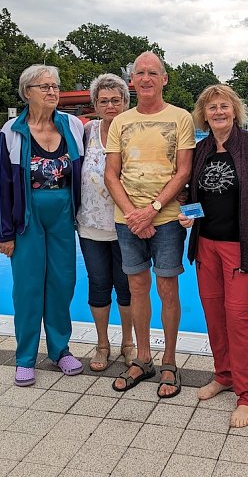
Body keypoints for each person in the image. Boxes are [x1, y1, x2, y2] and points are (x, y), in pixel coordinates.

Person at [178, 84, 248, 428]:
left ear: (234, 110)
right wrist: (187, 212)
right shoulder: (202, 148)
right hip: (206, 244)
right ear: (203, 115)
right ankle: (224, 374)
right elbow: (192, 192)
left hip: (240, 247)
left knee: (238, 319)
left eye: (224, 106)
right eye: (211, 108)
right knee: (214, 314)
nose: (218, 112)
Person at [104, 51, 195, 398]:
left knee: (168, 290)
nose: (145, 78)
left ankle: (169, 360)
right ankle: (143, 359)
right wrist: (132, 213)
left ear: (164, 79)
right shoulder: (121, 122)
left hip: (167, 219)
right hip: (128, 220)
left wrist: (152, 209)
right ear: (132, 81)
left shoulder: (181, 118)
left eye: (152, 73)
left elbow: (183, 170)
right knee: (137, 289)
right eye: (139, 73)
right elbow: (111, 173)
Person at [0, 64, 85, 387]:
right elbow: (2, 185)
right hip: (27, 218)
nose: (52, 92)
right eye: (44, 87)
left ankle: (60, 350)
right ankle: (25, 357)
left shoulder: (73, 126)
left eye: (55, 86)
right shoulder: (12, 131)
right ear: (27, 92)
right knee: (28, 287)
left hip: (62, 215)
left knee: (62, 283)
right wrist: (5, 232)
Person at [77, 73, 137, 371]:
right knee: (98, 284)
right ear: (95, 105)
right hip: (90, 224)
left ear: (126, 102)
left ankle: (128, 342)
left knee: (126, 286)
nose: (111, 105)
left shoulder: (135, 133)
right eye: (104, 101)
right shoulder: (86, 133)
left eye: (116, 100)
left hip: (126, 224)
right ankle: (102, 344)